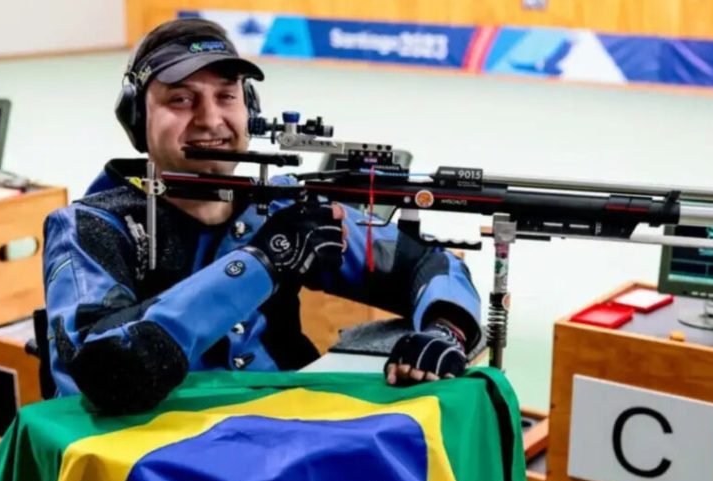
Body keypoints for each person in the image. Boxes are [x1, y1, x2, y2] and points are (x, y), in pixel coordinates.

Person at [41, 18, 482, 414]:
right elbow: (104, 373)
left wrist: (446, 331)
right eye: (181, 99)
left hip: (286, 432)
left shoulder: (281, 205)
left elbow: (429, 264)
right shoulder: (91, 228)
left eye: (226, 96)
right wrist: (262, 262)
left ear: (249, 111)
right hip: (158, 462)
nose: (210, 119)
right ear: (137, 118)